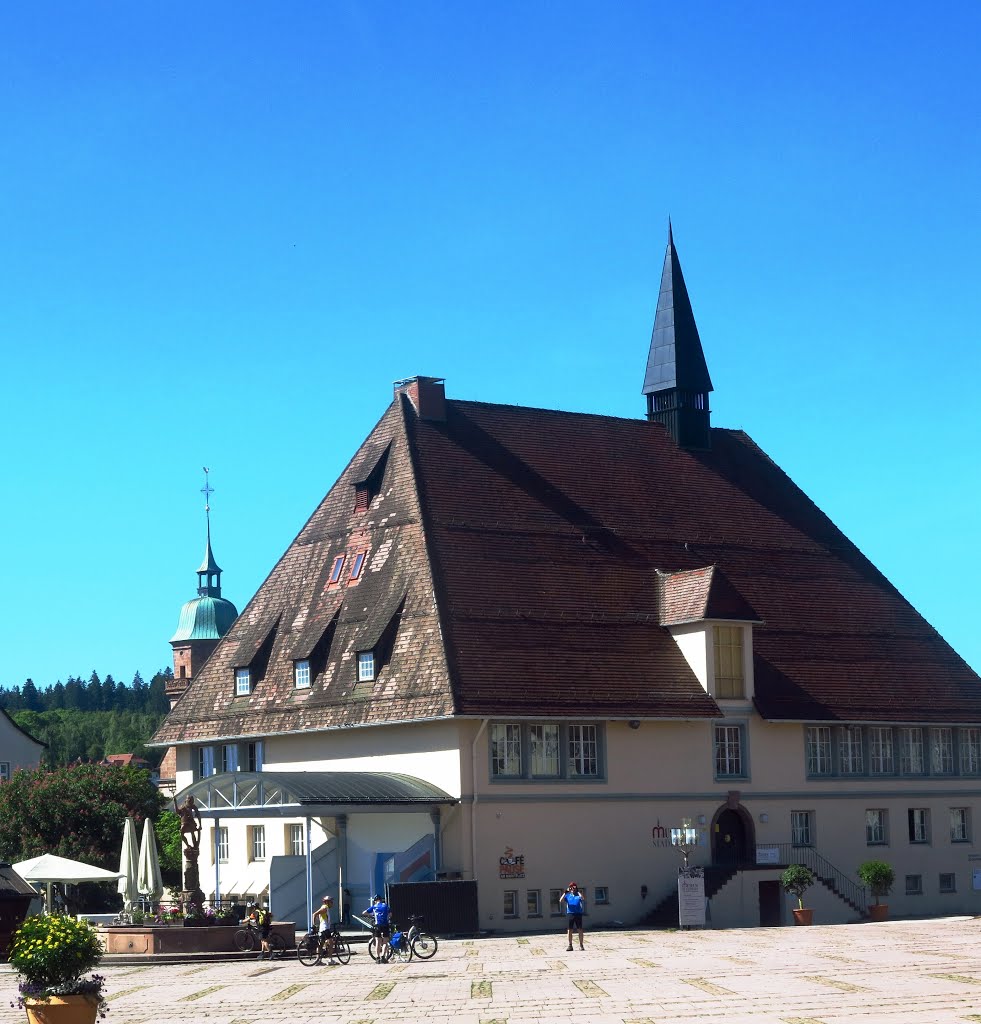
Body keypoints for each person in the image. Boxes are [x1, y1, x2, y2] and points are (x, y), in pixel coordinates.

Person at [362, 894, 391, 962]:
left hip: (377, 925)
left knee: (378, 941)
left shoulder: (374, 906)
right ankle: (383, 957)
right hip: (385, 925)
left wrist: (371, 915)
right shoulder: (386, 906)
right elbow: (390, 914)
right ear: (381, 900)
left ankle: (377, 958)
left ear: (375, 901)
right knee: (385, 942)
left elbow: (364, 913)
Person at [559, 881, 585, 951]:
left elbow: (582, 898)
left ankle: (581, 945)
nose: (572, 889)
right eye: (571, 887)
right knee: (570, 930)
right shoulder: (568, 895)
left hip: (578, 914)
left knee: (580, 929)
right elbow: (560, 900)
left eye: (574, 887)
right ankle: (570, 945)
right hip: (571, 914)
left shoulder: (578, 895)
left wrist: (578, 892)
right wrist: (565, 892)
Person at [312, 895, 337, 965]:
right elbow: (314, 914)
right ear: (327, 902)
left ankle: (318, 960)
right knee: (331, 942)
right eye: (331, 902)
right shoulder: (325, 908)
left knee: (320, 944)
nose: (332, 903)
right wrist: (314, 924)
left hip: (323, 928)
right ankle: (330, 960)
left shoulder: (325, 908)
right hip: (325, 929)